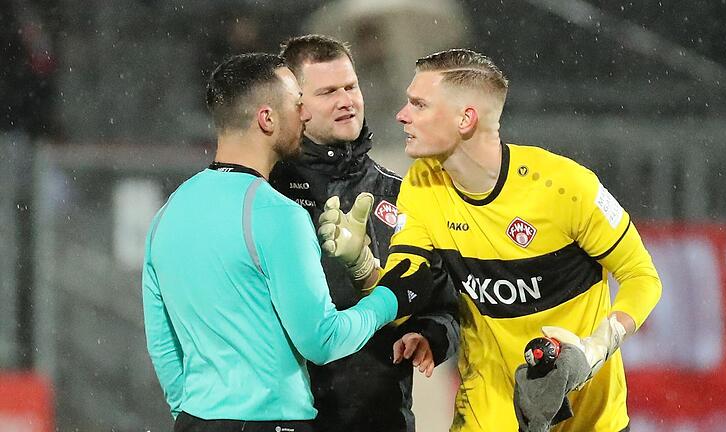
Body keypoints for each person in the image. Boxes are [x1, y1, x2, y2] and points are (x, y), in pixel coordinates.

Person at [318, 49, 662, 431]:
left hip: (591, 422)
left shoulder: (566, 188)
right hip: (486, 418)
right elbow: (407, 287)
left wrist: (595, 349)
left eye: (419, 104)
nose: (402, 114)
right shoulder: (422, 184)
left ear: (466, 118)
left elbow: (642, 277)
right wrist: (363, 266)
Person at [142, 53, 433, 432]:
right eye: (298, 104)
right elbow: (322, 340)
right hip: (272, 421)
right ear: (267, 119)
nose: (305, 116)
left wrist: (196, 413)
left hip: (197, 421)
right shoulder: (277, 214)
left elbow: (163, 346)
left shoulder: (167, 214)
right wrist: (390, 297)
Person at [269, 34, 459, 432]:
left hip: (380, 418)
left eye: (350, 86)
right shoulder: (267, 194)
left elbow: (445, 303)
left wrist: (431, 335)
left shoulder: (400, 195)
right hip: (284, 419)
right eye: (327, 92)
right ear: (295, 105)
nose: (346, 100)